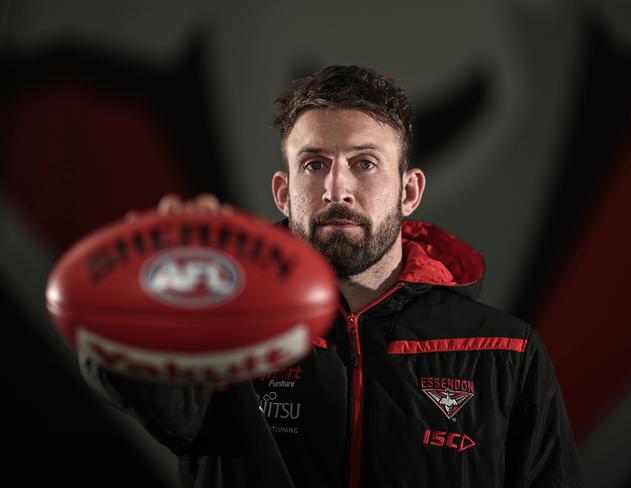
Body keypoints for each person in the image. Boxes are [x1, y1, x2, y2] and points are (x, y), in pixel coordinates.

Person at [80, 65, 585, 487]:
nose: (336, 188)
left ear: (409, 192)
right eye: (314, 164)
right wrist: (139, 294)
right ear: (283, 191)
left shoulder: (506, 353)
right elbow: (133, 377)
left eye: (364, 163)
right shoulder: (226, 330)